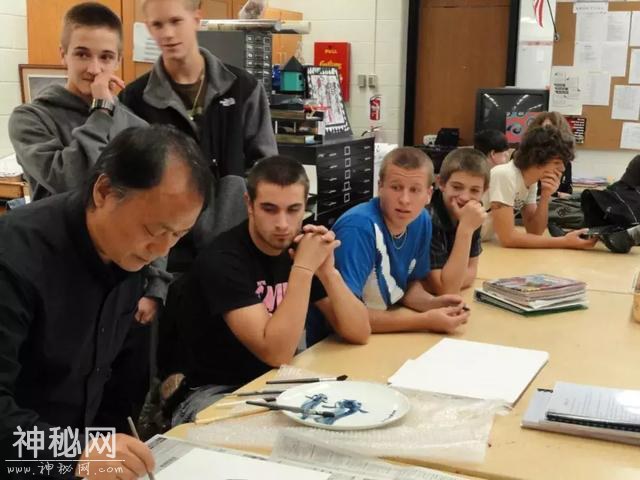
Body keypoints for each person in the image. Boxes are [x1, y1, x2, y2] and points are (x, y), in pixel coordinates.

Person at [0, 125, 211, 479]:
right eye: (154, 230)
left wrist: (114, 450)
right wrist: (76, 453)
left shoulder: (127, 255)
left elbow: (118, 382)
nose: (162, 249)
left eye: (178, 234)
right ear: (104, 191)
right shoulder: (14, 257)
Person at [157, 156, 370, 425]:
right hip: (213, 390)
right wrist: (303, 269)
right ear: (249, 204)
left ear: (305, 204)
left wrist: (328, 272)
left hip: (277, 381)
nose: (282, 224)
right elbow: (275, 353)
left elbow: (359, 331)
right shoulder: (222, 260)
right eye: (270, 209)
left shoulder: (300, 247)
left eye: (293, 210)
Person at [8, 2, 168, 324]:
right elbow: (74, 181)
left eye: (106, 57)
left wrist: (156, 285)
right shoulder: (31, 118)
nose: (94, 68)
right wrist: (101, 111)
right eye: (82, 54)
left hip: (123, 275)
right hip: (57, 269)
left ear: (118, 61)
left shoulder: (137, 128)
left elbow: (156, 208)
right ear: (63, 55)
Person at [120, 0, 278, 271]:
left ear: (196, 19)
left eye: (175, 21)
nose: (167, 33)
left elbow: (266, 170)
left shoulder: (244, 88)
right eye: (157, 25)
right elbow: (132, 184)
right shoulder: (134, 100)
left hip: (235, 254)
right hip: (167, 260)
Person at [331, 147, 470, 334]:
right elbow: (344, 316)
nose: (405, 200)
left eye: (415, 190)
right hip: (335, 339)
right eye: (396, 187)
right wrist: (424, 321)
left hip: (380, 330)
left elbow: (405, 285)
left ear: (428, 194)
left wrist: (431, 303)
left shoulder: (420, 220)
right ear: (380, 187)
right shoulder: (358, 229)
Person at [481, 125, 597, 249]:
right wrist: (564, 242)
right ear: (536, 159)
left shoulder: (530, 181)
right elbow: (508, 238)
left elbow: (534, 231)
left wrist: (545, 195)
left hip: (482, 243)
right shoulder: (505, 174)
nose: (562, 168)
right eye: (556, 162)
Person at [424, 148, 489, 295]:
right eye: (457, 187)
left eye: (474, 190)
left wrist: (452, 280)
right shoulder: (428, 218)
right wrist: (465, 229)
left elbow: (472, 271)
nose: (465, 197)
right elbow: (444, 289)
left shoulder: (473, 212)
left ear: (484, 191)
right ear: (441, 183)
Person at [528, 111, 574, 195]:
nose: (550, 135)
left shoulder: (564, 160)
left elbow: (567, 190)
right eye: (546, 129)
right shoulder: (526, 157)